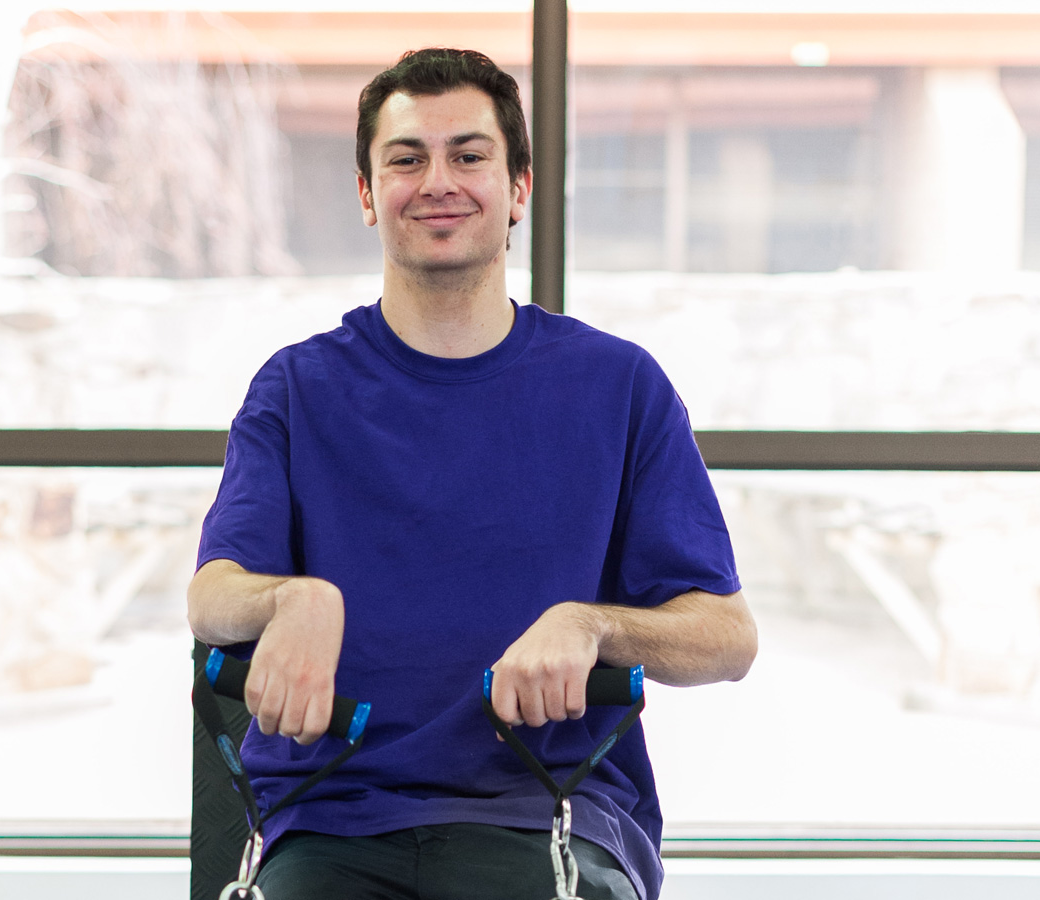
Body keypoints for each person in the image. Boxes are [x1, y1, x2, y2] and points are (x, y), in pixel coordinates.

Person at [187, 47, 756, 900]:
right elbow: (212, 595)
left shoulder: (618, 386)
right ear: (368, 193)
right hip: (332, 818)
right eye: (406, 158)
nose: (437, 181)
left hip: (547, 813)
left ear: (518, 186)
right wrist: (290, 598)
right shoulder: (298, 388)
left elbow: (727, 636)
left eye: (469, 155)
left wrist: (593, 627)